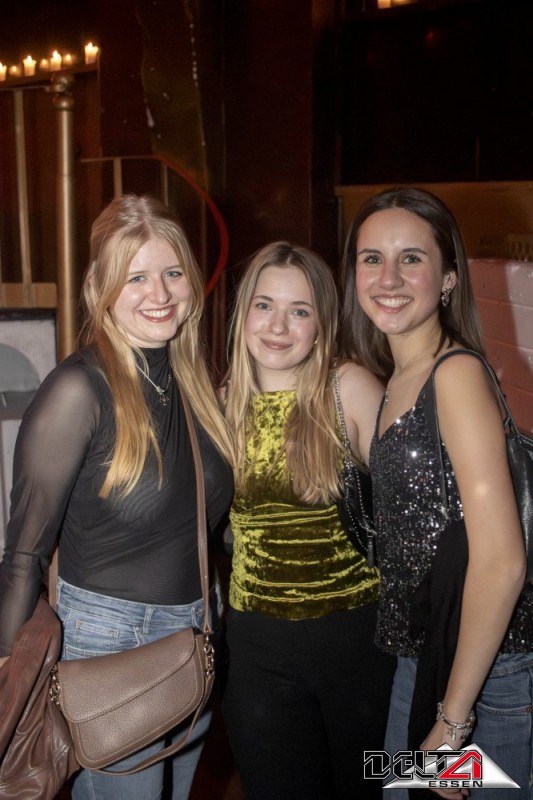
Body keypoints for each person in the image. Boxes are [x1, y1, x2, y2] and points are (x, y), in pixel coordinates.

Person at [0, 194, 234, 800]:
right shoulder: (78, 389)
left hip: (195, 638)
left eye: (172, 272)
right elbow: (23, 554)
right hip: (108, 646)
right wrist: (7, 680)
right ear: (100, 287)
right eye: (135, 277)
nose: (159, 293)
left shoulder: (192, 383)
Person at [339, 186, 533, 799]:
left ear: (449, 277)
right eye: (372, 258)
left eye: (412, 258)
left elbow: (502, 561)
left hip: (488, 681)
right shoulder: (399, 377)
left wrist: (451, 725)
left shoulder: (456, 374)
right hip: (424, 662)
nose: (388, 278)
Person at [221, 241, 396, 800]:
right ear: (244, 313)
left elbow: (415, 519)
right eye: (264, 306)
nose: (278, 326)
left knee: (374, 791)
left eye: (299, 311)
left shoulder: (350, 389)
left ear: (322, 325)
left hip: (359, 644)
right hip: (256, 650)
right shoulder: (219, 404)